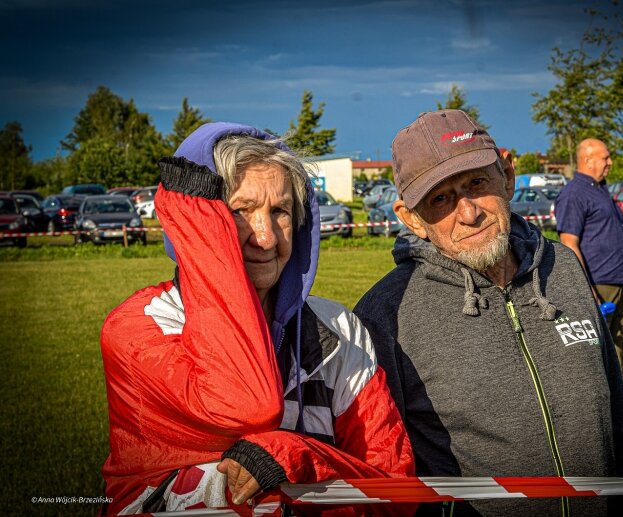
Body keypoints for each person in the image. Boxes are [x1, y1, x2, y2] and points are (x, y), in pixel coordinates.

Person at [100, 122, 414, 515]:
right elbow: (247, 405)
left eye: (280, 211)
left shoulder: (339, 330)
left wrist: (298, 457)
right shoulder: (140, 327)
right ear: (198, 223)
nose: (265, 237)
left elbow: (393, 489)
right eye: (240, 212)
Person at [354, 111, 623, 516]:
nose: (469, 213)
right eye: (440, 199)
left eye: (476, 183)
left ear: (507, 175)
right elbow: (381, 471)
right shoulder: (385, 314)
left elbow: (615, 418)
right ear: (411, 218)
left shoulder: (564, 267)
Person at [555, 138, 623, 380]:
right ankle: (604, 415)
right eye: (606, 158)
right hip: (596, 287)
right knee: (601, 360)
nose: (610, 162)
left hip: (612, 284)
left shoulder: (598, 188)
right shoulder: (574, 194)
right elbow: (569, 243)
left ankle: (617, 415)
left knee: (615, 353)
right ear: (587, 160)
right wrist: (586, 289)